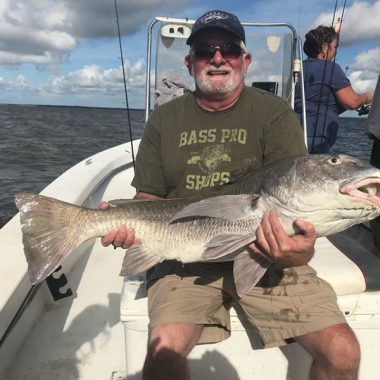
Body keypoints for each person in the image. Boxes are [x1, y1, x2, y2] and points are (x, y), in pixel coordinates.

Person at [101, 10, 360, 380]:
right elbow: (149, 196)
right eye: (206, 50)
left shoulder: (274, 112)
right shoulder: (163, 120)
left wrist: (302, 247)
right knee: (164, 353)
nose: (218, 58)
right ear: (190, 63)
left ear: (245, 60)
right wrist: (130, 227)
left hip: (266, 254)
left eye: (229, 49)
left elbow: (295, 194)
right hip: (185, 255)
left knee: (342, 352)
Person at [295, 25, 373, 153]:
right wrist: (367, 97)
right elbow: (352, 102)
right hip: (317, 138)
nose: (336, 52)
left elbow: (314, 103)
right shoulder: (331, 68)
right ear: (325, 48)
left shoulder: (297, 70)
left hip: (294, 133)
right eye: (335, 47)